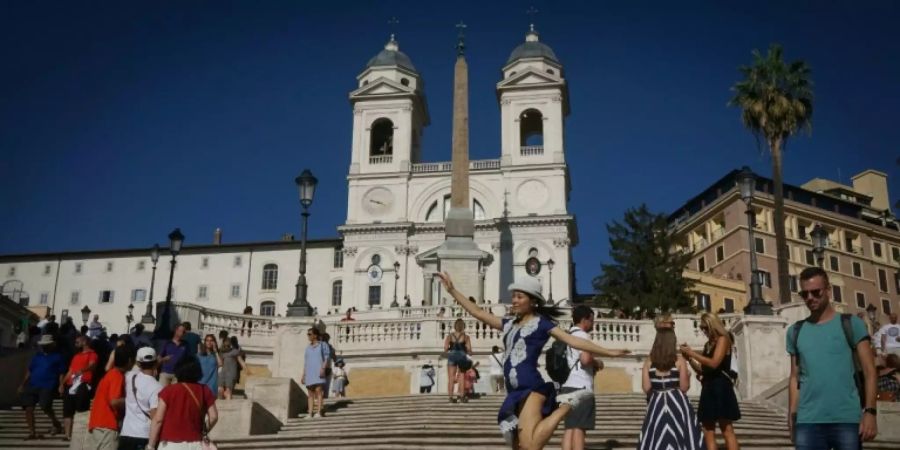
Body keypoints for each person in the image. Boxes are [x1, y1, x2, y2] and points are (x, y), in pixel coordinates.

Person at [436, 272, 630, 449]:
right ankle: (566, 405)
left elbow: (573, 340)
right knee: (519, 446)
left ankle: (566, 405)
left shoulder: (542, 323)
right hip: (514, 391)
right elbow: (478, 312)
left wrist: (608, 352)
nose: (514, 300)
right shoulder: (508, 324)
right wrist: (452, 290)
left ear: (533, 301)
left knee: (530, 447)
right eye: (514, 296)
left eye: (520, 297)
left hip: (531, 387)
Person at [786, 266, 878, 449]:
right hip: (807, 421)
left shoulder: (852, 323)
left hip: (847, 419)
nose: (810, 298)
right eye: (805, 294)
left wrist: (870, 412)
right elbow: (795, 377)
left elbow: (870, 371)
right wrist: (792, 415)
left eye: (816, 292)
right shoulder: (794, 331)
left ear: (828, 290)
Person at [680, 313, 740, 450]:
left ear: (712, 325)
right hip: (708, 386)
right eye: (702, 328)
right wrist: (689, 359)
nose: (703, 330)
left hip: (721, 387)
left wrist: (693, 353)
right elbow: (702, 369)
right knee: (708, 430)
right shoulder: (708, 344)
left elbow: (714, 363)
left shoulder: (723, 340)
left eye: (704, 327)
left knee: (726, 428)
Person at [639, 328, 704, 450]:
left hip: (656, 403)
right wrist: (688, 377)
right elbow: (684, 387)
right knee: (681, 436)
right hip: (677, 402)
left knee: (657, 436)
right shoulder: (679, 361)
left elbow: (646, 387)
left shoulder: (649, 361)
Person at [147, 355, 219, 450]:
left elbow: (158, 419)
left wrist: (150, 446)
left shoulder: (168, 391)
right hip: (195, 443)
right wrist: (204, 431)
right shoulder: (204, 390)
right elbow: (213, 416)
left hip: (170, 444)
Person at [561, 305, 605, 450]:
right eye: (591, 320)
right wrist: (597, 362)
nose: (593, 324)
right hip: (582, 386)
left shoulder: (568, 335)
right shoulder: (583, 336)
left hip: (567, 385)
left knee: (569, 428)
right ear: (584, 320)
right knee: (580, 428)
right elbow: (585, 359)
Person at [18, 334, 65, 440]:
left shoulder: (57, 357)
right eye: (43, 345)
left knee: (45, 406)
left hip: (48, 385)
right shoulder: (37, 357)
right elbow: (29, 371)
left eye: (47, 345)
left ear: (52, 345)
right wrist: (22, 384)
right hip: (32, 385)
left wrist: (61, 385)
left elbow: (61, 372)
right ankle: (32, 432)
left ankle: (55, 422)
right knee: (28, 408)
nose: (44, 346)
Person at [87, 345, 134, 449]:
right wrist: (132, 401)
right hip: (107, 426)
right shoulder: (117, 375)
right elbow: (114, 401)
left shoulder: (110, 374)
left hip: (98, 425)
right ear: (130, 360)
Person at [120, 347, 163, 450]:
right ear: (156, 362)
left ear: (138, 363)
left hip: (126, 432)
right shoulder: (157, 387)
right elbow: (155, 416)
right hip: (144, 434)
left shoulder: (129, 377)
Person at [61, 334, 98, 441]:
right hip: (71, 384)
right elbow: (70, 371)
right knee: (67, 410)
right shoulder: (76, 356)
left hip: (83, 383)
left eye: (77, 342)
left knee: (82, 410)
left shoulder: (92, 354)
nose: (75, 344)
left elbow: (92, 365)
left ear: (84, 342)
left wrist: (82, 370)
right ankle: (67, 435)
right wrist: (62, 384)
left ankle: (81, 433)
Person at [302, 327, 330, 418]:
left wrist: (323, 368)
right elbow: (306, 362)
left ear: (315, 335)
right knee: (310, 393)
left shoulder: (323, 345)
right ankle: (310, 413)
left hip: (318, 370)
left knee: (319, 391)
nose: (308, 336)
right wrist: (304, 374)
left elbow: (326, 357)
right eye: (308, 334)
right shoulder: (307, 348)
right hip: (310, 371)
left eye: (309, 334)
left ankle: (319, 411)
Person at [444, 318, 472, 403]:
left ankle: (450, 397)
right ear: (463, 326)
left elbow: (445, 348)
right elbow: (469, 349)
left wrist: (450, 348)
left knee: (451, 378)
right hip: (462, 356)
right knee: (461, 377)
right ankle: (461, 396)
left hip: (452, 355)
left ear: (455, 326)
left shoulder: (450, 336)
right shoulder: (466, 337)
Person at [198, 334, 223, 400]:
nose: (209, 342)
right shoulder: (199, 354)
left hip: (211, 384)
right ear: (205, 342)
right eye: (207, 340)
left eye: (211, 340)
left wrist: (215, 351)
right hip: (200, 383)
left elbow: (220, 364)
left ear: (214, 342)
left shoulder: (216, 354)